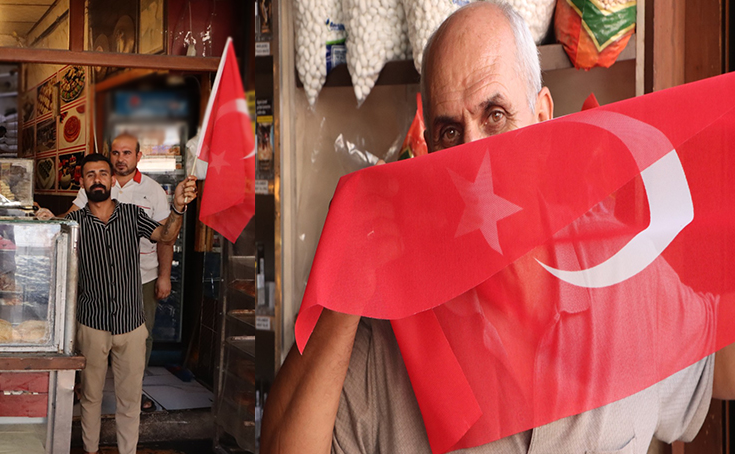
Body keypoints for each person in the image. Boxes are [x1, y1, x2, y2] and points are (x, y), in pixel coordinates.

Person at [261, 3, 735, 454]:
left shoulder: (625, 276)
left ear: (544, 119)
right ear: (427, 154)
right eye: (450, 132)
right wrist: (346, 289)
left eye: (495, 116)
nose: (474, 160)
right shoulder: (389, 331)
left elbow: (719, 362)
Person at [37, 153, 197, 454]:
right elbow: (49, 240)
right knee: (91, 397)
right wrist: (44, 221)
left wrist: (176, 207)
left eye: (102, 173)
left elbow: (166, 234)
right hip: (92, 323)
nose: (96, 179)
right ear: (82, 183)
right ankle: (90, 450)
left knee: (129, 398)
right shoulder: (74, 222)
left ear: (112, 180)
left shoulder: (132, 214)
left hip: (131, 324)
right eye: (89, 175)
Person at [63, 133, 173, 410]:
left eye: (127, 153)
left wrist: (164, 276)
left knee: (139, 338)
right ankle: (83, 387)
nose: (120, 158)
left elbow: (166, 236)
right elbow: (69, 222)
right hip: (97, 280)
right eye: (115, 153)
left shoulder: (153, 190)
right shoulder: (95, 184)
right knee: (90, 336)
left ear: (138, 157)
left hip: (142, 277)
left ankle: (136, 391)